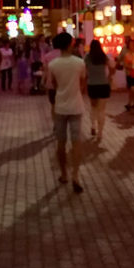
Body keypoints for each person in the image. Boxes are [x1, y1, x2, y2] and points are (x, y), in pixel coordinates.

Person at [49, 32, 86, 193]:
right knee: (76, 141)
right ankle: (76, 175)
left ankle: (64, 173)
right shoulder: (79, 63)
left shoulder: (53, 64)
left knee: (61, 142)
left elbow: (53, 85)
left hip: (60, 107)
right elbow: (83, 83)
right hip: (76, 106)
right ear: (70, 44)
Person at [84, 39, 114, 142]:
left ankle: (93, 126)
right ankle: (100, 133)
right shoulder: (104, 56)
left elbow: (84, 71)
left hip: (92, 84)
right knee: (102, 110)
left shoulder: (87, 57)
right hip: (103, 84)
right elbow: (112, 67)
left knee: (93, 108)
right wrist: (109, 77)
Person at [118, 36, 134, 114]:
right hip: (131, 75)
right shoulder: (127, 54)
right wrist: (131, 66)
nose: (133, 46)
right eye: (131, 45)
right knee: (133, 90)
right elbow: (125, 64)